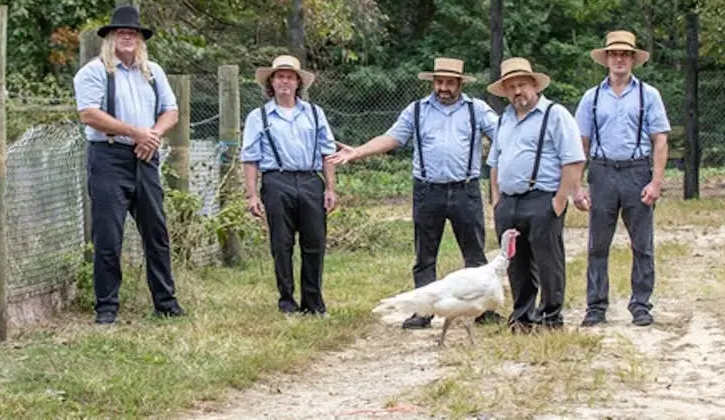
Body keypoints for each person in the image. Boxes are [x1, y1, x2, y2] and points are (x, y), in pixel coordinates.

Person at [327, 58, 502, 329]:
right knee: (424, 255)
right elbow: (392, 137)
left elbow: (504, 134)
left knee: (475, 254)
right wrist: (358, 151)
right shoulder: (417, 110)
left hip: (465, 189)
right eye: (439, 82)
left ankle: (482, 311)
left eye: (449, 83)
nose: (443, 88)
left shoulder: (476, 109)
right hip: (427, 190)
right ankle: (423, 311)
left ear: (459, 84)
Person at [73, 4, 185, 325]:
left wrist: (152, 135)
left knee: (157, 232)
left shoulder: (153, 72)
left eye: (133, 32)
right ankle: (107, 308)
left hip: (146, 157)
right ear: (109, 38)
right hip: (109, 157)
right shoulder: (94, 72)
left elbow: (171, 111)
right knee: (109, 235)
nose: (127, 36)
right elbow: (89, 114)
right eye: (121, 32)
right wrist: (135, 132)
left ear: (140, 39)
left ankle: (166, 303)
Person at [572, 30, 671, 328]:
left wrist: (656, 181)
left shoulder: (648, 95)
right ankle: (596, 306)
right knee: (597, 244)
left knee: (642, 243)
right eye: (614, 54)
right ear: (606, 59)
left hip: (636, 171)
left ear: (633, 60)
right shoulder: (591, 98)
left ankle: (640, 304)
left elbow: (660, 140)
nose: (619, 59)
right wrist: (576, 186)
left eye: (625, 54)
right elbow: (581, 144)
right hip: (602, 171)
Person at [487, 57, 585, 331]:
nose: (517, 92)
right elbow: (495, 161)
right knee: (515, 263)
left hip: (542, 198)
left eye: (522, 85)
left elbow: (574, 160)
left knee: (547, 260)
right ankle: (522, 316)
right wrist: (497, 199)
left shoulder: (555, 115)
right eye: (511, 87)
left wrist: (559, 199)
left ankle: (551, 316)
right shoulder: (504, 119)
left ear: (534, 85)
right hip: (509, 202)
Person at [240, 55, 338, 316]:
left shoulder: (315, 113)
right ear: (271, 82)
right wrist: (251, 195)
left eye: (290, 76)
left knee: (314, 242)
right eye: (279, 76)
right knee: (281, 243)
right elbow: (250, 157)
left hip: (309, 179)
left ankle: (314, 302)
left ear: (298, 82)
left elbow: (328, 153)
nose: (285, 81)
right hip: (276, 180)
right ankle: (287, 301)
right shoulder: (258, 117)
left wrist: (330, 188)